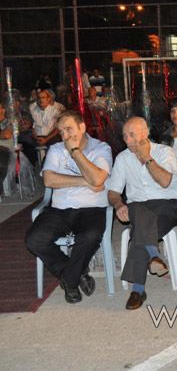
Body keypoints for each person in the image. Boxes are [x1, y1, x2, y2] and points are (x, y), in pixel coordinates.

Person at [25, 110, 112, 303]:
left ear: (82, 127)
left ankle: (70, 281)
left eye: (68, 129)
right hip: (60, 208)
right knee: (34, 240)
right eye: (61, 131)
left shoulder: (101, 148)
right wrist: (84, 181)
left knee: (89, 236)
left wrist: (75, 152)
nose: (64, 136)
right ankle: (78, 273)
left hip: (92, 208)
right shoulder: (56, 149)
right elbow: (49, 180)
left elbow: (98, 178)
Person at [107, 117, 177, 310]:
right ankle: (150, 263)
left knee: (140, 230)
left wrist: (147, 157)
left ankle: (140, 286)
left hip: (166, 206)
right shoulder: (122, 158)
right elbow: (113, 192)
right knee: (137, 208)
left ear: (145, 133)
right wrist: (119, 205)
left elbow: (165, 182)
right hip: (138, 207)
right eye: (124, 136)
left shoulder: (164, 152)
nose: (127, 140)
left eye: (132, 134)